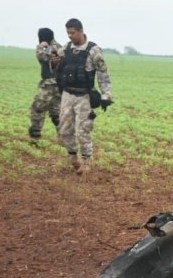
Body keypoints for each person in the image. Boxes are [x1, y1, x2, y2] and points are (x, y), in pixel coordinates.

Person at [55, 18, 114, 175]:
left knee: (83, 130)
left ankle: (86, 162)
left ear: (81, 31)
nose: (70, 36)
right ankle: (73, 158)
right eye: (68, 33)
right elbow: (56, 67)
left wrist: (106, 95)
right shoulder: (65, 49)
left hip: (84, 97)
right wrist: (54, 62)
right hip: (67, 95)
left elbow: (103, 74)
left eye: (72, 32)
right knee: (64, 129)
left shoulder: (93, 50)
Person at [28, 28, 62, 140]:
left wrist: (40, 46)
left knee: (38, 108)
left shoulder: (50, 47)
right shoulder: (60, 47)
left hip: (50, 84)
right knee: (56, 113)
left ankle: (35, 135)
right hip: (60, 85)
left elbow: (42, 56)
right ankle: (65, 138)